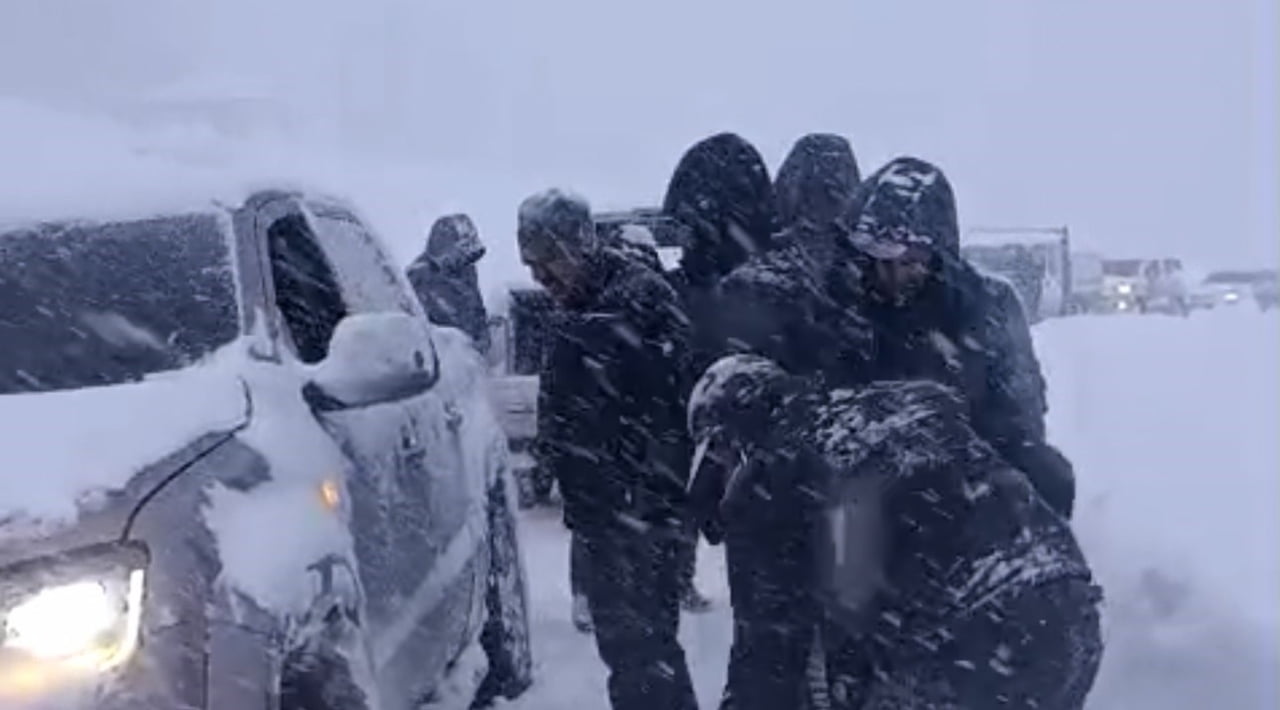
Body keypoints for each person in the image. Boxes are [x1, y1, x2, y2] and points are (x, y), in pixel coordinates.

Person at [687, 354, 1103, 710]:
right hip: (1067, 607)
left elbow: (766, 660)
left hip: (970, 636)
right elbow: (1045, 471)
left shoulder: (773, 478)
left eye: (719, 456)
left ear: (733, 439)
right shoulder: (888, 412)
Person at [518, 188, 699, 710]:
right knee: (624, 649)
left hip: (641, 513)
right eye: (531, 264)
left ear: (579, 244)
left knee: (647, 648)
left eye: (548, 261)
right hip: (600, 513)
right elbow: (562, 400)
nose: (539, 277)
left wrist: (644, 495)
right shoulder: (576, 308)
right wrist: (549, 461)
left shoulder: (640, 300)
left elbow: (672, 405)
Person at [831, 156, 1076, 518]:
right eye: (880, 261)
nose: (893, 277)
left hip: (961, 478)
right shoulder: (842, 306)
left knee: (1047, 476)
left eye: (909, 262)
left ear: (938, 253)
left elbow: (1019, 417)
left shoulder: (987, 308)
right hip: (862, 482)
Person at [662, 132, 776, 616]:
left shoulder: (768, 290)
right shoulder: (690, 286)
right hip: (700, 440)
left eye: (692, 224)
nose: (684, 238)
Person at [406, 213, 491, 353]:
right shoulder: (419, 277)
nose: (465, 259)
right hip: (442, 359)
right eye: (461, 250)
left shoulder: (466, 270)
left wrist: (482, 334)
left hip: (470, 357)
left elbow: (476, 310)